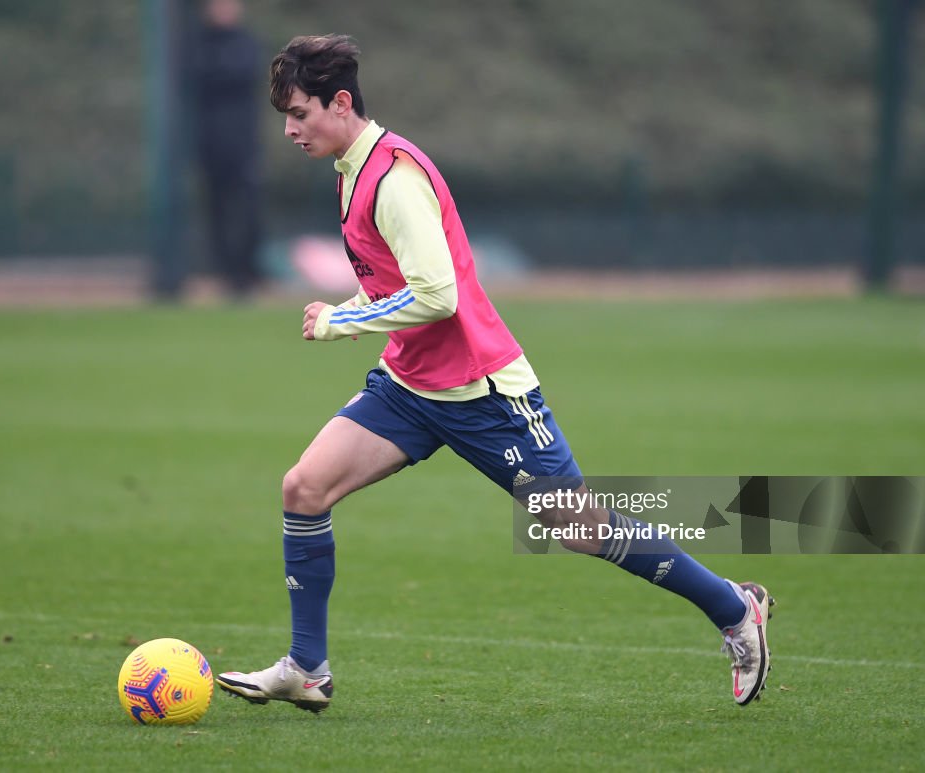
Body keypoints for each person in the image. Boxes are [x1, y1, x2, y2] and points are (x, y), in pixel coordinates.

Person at [216, 34, 773, 713]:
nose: (290, 129)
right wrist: (349, 306)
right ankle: (307, 667)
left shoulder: (393, 179)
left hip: (484, 393)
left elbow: (438, 294)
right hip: (411, 386)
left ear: (340, 103)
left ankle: (734, 605)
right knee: (304, 487)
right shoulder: (351, 170)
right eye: (285, 115)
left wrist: (343, 321)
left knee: (578, 526)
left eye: (300, 113)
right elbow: (400, 283)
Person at [190, 0, 263, 296]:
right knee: (217, 208)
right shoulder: (198, 44)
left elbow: (243, 75)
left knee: (248, 207)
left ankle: (247, 270)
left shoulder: (247, 43)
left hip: (243, 143)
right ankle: (226, 273)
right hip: (210, 143)